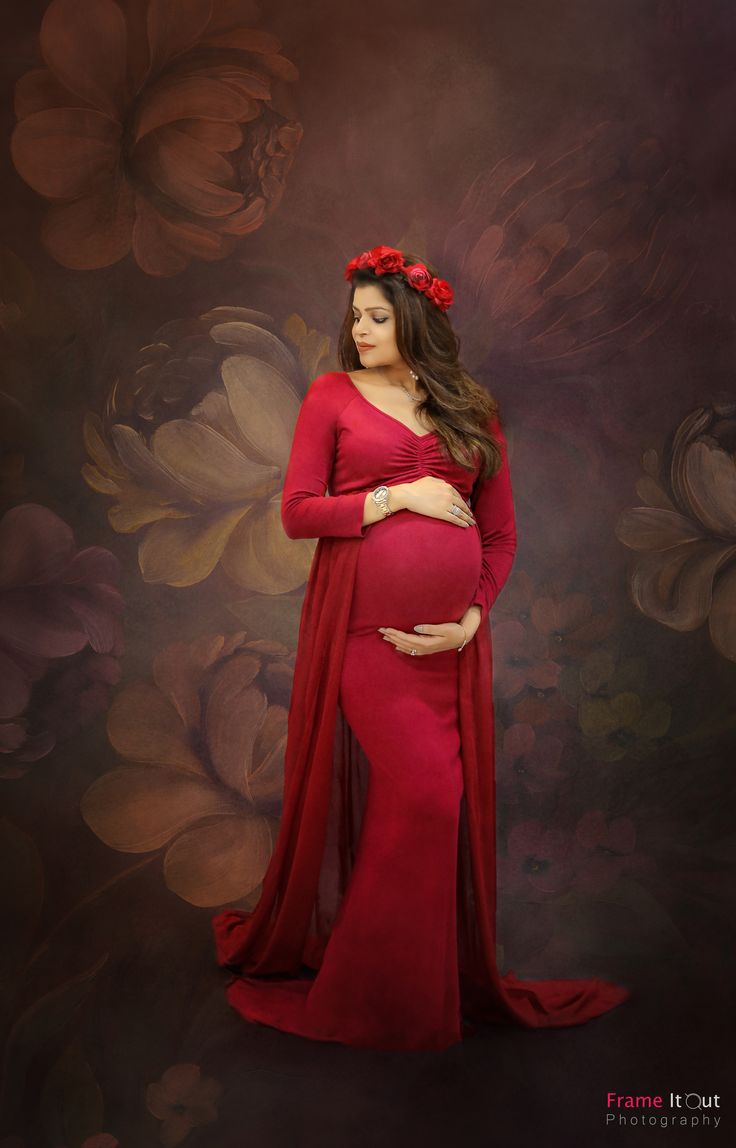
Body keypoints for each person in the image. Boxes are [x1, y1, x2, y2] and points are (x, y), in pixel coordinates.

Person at [211, 244, 631, 1051]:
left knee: (430, 813)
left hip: (448, 652)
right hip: (367, 640)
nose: (359, 329)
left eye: (376, 317)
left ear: (413, 322)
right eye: (356, 316)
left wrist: (472, 617)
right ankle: (374, 997)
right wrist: (395, 496)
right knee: (429, 801)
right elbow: (299, 511)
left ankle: (402, 987)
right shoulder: (332, 396)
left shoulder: (471, 408)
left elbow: (501, 535)